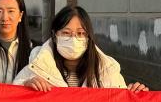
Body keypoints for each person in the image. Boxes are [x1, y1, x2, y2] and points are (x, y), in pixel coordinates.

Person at [15, 5, 148, 92]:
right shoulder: (37, 67)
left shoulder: (106, 70)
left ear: (88, 37)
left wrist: (136, 94)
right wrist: (26, 86)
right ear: (54, 36)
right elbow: (12, 96)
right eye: (66, 33)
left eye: (80, 33)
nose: (73, 39)